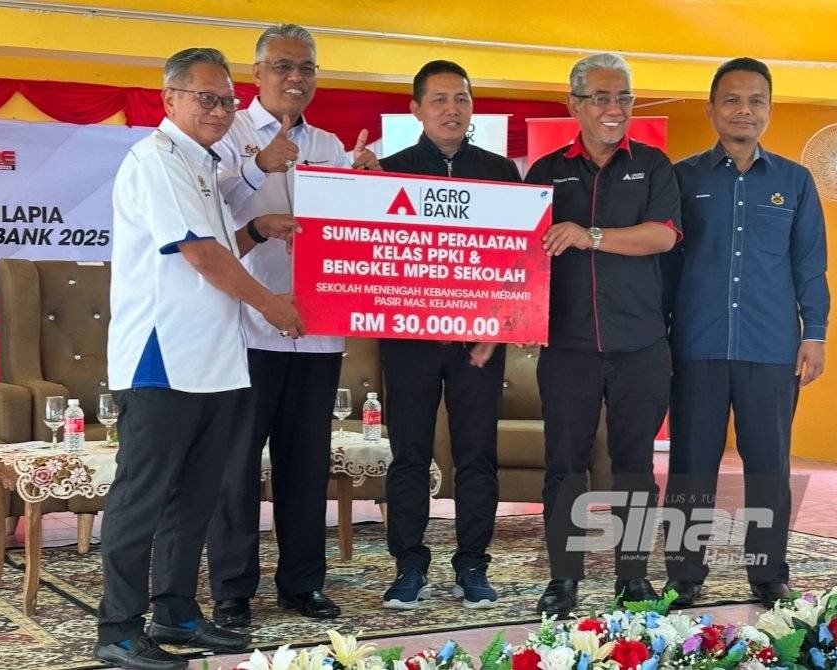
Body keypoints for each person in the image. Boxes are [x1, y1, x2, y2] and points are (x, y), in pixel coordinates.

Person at [96, 47, 304, 670]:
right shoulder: (155, 160)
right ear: (170, 100)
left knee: (196, 496)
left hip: (215, 356)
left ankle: (176, 611)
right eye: (204, 98)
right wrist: (271, 303)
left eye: (226, 100)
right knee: (144, 495)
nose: (218, 110)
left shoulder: (203, 166)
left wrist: (258, 231)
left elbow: (221, 248)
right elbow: (199, 256)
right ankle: (118, 630)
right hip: (162, 356)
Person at [207, 23, 380, 628]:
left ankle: (302, 583)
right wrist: (256, 166)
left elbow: (350, 233)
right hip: (246, 329)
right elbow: (207, 223)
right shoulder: (223, 136)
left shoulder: (330, 144)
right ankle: (231, 589)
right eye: (282, 66)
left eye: (305, 67)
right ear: (256, 74)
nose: (295, 77)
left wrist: (365, 183)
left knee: (306, 462)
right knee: (236, 465)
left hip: (317, 328)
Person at [662, 57, 829, 609]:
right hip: (696, 345)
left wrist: (816, 333)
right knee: (691, 466)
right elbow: (664, 265)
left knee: (768, 467)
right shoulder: (681, 178)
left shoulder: (794, 181)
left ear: (769, 110)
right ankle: (685, 575)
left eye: (756, 100)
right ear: (711, 108)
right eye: (732, 99)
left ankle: (768, 574)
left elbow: (809, 265)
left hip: (770, 346)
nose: (744, 110)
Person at [524, 53, 681, 617]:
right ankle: (563, 580)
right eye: (602, 98)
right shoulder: (545, 171)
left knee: (635, 464)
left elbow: (662, 236)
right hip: (566, 347)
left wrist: (589, 235)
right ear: (575, 105)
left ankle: (632, 577)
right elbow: (522, 255)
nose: (615, 110)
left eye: (625, 99)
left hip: (640, 345)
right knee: (564, 464)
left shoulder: (655, 165)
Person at [377, 60, 520, 611]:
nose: (451, 109)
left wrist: (501, 325)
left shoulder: (502, 171)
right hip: (409, 339)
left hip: (480, 342)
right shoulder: (389, 171)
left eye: (461, 98)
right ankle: (409, 565)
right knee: (409, 454)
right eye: (438, 100)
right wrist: (358, 183)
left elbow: (517, 258)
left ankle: (472, 565)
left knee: (478, 454)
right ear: (415, 109)